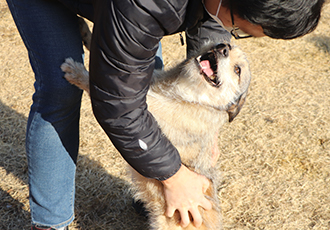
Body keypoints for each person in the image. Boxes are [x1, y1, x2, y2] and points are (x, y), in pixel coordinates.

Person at [5, 0, 324, 229]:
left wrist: (209, 128)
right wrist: (174, 176)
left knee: (148, 73)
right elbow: (116, 102)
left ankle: (146, 201)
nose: (229, 42)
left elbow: (212, 26)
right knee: (60, 90)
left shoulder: (212, 11)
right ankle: (51, 222)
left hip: (123, 13)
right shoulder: (144, 6)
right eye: (240, 30)